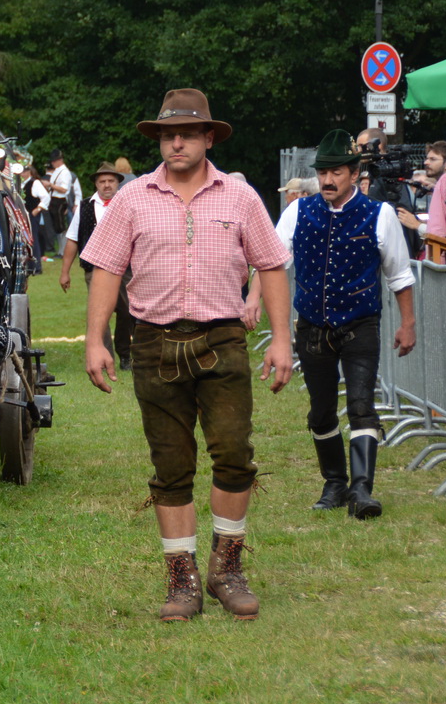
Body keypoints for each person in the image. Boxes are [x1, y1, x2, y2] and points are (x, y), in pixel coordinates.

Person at [81, 89, 293, 623]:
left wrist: (284, 340)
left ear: (207, 138)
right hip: (152, 342)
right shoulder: (131, 199)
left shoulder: (241, 198)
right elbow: (107, 268)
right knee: (170, 465)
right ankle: (182, 581)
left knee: (233, 454)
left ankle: (227, 570)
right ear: (159, 140)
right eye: (167, 135)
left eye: (187, 133)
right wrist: (95, 339)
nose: (176, 142)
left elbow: (270, 266)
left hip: (223, 338)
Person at [277, 130, 417, 520]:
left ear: (354, 174)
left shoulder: (380, 214)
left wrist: (408, 324)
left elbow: (400, 276)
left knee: (360, 404)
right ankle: (334, 484)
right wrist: (255, 298)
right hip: (312, 326)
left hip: (361, 324)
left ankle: (362, 490)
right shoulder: (297, 212)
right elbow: (272, 263)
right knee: (321, 412)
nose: (327, 180)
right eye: (323, 172)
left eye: (336, 171)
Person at [59, 162, 133, 370]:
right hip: (94, 268)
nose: (107, 185)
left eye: (111, 181)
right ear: (96, 184)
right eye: (102, 181)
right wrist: (65, 272)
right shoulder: (84, 207)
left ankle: (125, 353)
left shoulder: (129, 205)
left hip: (125, 268)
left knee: (128, 312)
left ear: (118, 182)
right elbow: (72, 239)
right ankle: (104, 357)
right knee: (100, 314)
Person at [45, 150, 74, 253]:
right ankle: (61, 250)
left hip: (60, 200)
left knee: (60, 226)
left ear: (59, 160)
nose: (52, 163)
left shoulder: (65, 172)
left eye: (54, 161)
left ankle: (63, 251)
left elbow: (64, 189)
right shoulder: (57, 171)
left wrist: (50, 185)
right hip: (54, 199)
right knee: (57, 226)